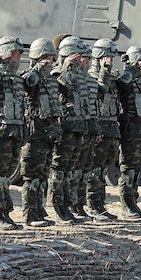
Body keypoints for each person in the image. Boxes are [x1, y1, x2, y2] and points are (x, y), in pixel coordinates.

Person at [0, 36, 26, 230]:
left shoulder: (17, 79)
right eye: (16, 53)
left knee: (7, 177)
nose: (19, 58)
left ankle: (6, 215)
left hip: (15, 133)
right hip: (0, 134)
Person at [49, 36, 91, 224]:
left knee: (69, 171)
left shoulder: (79, 77)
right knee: (58, 170)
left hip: (76, 129)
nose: (80, 60)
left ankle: (67, 206)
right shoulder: (57, 72)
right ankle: (58, 208)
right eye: (77, 56)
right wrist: (67, 66)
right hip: (64, 129)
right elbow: (62, 90)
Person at [20, 38, 59, 227]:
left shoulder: (51, 80)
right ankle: (30, 215)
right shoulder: (31, 77)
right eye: (45, 57)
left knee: (42, 177)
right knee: (32, 178)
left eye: (51, 57)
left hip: (48, 135)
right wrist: (37, 69)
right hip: (34, 135)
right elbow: (27, 83)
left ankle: (40, 211)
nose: (49, 61)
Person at [115, 45, 141, 219]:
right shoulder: (128, 78)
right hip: (131, 128)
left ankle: (133, 202)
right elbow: (121, 85)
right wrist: (131, 69)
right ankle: (126, 205)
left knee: (138, 168)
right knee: (128, 169)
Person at [86, 39, 120, 221]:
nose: (111, 60)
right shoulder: (91, 76)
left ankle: (100, 205)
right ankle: (92, 205)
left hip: (110, 128)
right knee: (94, 170)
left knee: (103, 170)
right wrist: (104, 71)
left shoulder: (111, 76)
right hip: (99, 128)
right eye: (107, 56)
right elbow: (99, 92)